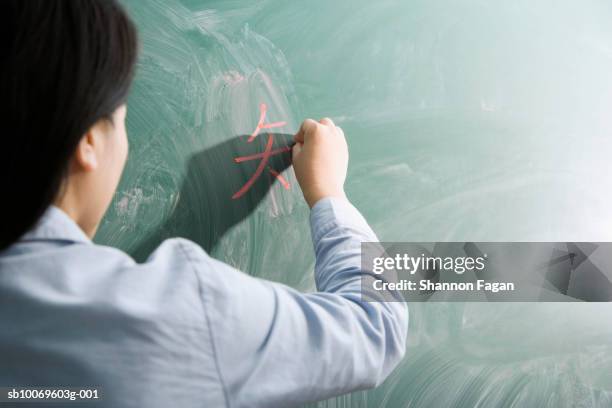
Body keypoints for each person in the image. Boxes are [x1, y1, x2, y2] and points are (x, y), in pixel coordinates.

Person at [0, 1, 407, 407]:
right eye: (122, 120)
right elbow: (376, 328)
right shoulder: (170, 313)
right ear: (88, 141)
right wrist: (329, 192)